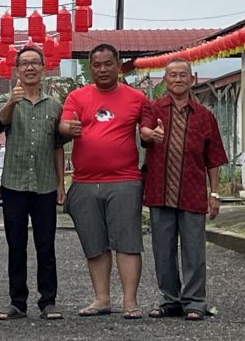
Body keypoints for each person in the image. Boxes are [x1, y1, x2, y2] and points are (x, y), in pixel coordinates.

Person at [59, 43, 149, 320]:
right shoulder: (77, 96)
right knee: (94, 244)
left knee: (128, 243)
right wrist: (69, 128)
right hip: (85, 182)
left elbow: (146, 129)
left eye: (108, 64)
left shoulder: (137, 98)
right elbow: (63, 125)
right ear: (90, 68)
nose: (102, 69)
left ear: (118, 66)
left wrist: (149, 133)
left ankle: (130, 301)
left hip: (124, 180)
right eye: (96, 65)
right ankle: (102, 299)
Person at [139, 58, 228, 322]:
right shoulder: (153, 108)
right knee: (162, 250)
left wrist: (214, 193)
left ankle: (195, 301)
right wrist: (150, 134)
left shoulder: (205, 116)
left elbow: (213, 158)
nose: (178, 79)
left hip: (192, 192)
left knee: (194, 251)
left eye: (183, 75)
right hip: (160, 190)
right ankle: (170, 300)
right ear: (165, 80)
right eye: (172, 75)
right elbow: (144, 131)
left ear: (192, 80)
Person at [0, 45, 66, 321]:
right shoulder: (6, 99)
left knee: (46, 245)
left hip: (45, 184)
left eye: (35, 62)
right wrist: (13, 101)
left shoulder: (54, 105)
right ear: (17, 70)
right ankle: (17, 302)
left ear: (43, 69)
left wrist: (60, 184)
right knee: (16, 244)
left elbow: (58, 146)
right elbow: (0, 123)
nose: (30, 67)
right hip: (14, 183)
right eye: (24, 63)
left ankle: (48, 301)